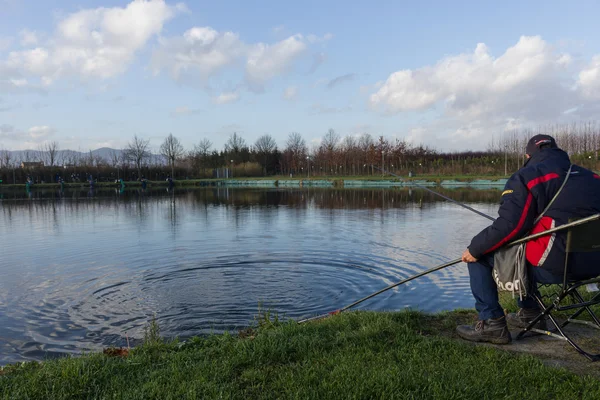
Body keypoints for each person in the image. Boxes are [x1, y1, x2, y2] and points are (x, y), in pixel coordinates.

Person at [456, 134, 600, 344]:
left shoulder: (528, 176)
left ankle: (492, 324)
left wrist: (475, 248)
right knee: (526, 245)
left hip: (558, 267)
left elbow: (510, 225)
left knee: (480, 257)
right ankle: (531, 314)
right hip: (595, 265)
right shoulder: (593, 178)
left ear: (527, 155)